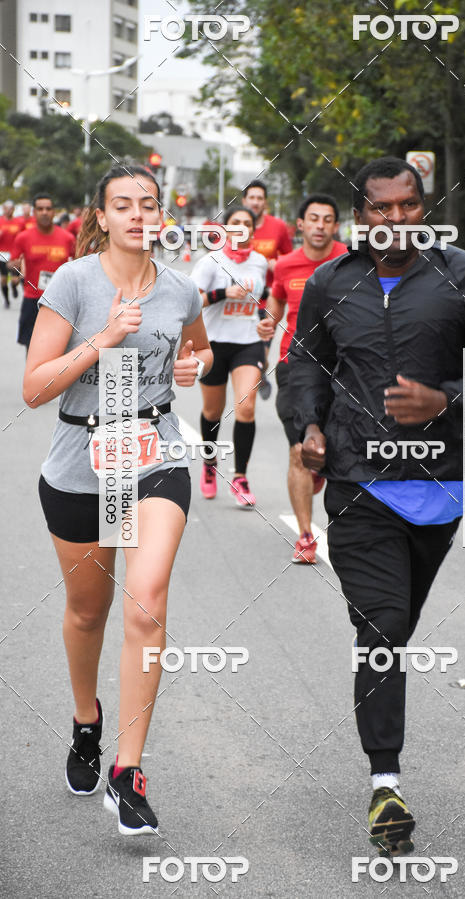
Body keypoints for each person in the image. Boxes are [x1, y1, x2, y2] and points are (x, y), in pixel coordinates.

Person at [288, 156, 465, 853]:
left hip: (442, 489)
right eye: (381, 208)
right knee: (384, 629)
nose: (396, 220)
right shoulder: (330, 284)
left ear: (425, 208)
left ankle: (381, 729)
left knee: (397, 630)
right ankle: (385, 783)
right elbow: (303, 364)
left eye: (409, 206)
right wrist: (306, 426)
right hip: (359, 487)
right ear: (360, 215)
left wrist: (444, 401)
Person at [22, 164, 213, 836]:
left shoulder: (182, 288)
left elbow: (199, 352)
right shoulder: (73, 283)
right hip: (81, 459)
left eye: (149, 204)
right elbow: (34, 388)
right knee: (86, 609)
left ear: (162, 215)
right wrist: (101, 340)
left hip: (154, 452)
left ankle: (128, 771)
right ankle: (86, 720)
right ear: (100, 216)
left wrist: (197, 367)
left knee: (148, 596)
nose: (138, 214)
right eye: (123, 205)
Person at [257, 193, 347, 563]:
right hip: (295, 367)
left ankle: (323, 475)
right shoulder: (285, 266)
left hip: (344, 368)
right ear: (302, 225)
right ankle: (306, 537)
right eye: (314, 218)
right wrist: (269, 322)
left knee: (340, 452)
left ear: (335, 226)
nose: (320, 225)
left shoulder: (351, 261)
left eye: (327, 219)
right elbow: (277, 303)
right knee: (299, 452)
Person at [190, 206, 267, 507]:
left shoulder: (260, 262)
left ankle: (240, 478)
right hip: (213, 344)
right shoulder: (211, 262)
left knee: (245, 408)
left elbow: (262, 298)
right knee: (213, 411)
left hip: (247, 343)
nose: (241, 228)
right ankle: (209, 465)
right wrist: (222, 294)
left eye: (247, 224)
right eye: (235, 223)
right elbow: (192, 300)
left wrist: (264, 320)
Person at [242, 179, 293, 399]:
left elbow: (290, 259)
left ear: (265, 202)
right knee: (246, 351)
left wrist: (277, 264)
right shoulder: (236, 227)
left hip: (269, 299)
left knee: (260, 350)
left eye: (259, 198)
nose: (255, 202)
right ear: (244, 200)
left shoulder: (278, 227)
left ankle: (259, 372)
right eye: (251, 197)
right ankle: (253, 377)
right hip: (241, 300)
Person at [12, 194, 76, 351]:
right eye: (40, 209)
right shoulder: (23, 238)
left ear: (54, 212)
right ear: (34, 212)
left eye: (48, 208)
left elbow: (76, 264)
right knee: (32, 348)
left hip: (59, 301)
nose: (45, 212)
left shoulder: (67, 238)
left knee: (60, 349)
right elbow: (13, 263)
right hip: (32, 299)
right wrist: (16, 268)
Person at [0, 199, 23, 306]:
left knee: (15, 280)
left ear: (13, 209)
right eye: (6, 208)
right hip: (2, 254)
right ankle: (6, 300)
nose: (8, 211)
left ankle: (14, 287)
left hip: (15, 255)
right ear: (4, 209)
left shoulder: (19, 222)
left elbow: (23, 237)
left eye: (11, 209)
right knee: (3, 279)